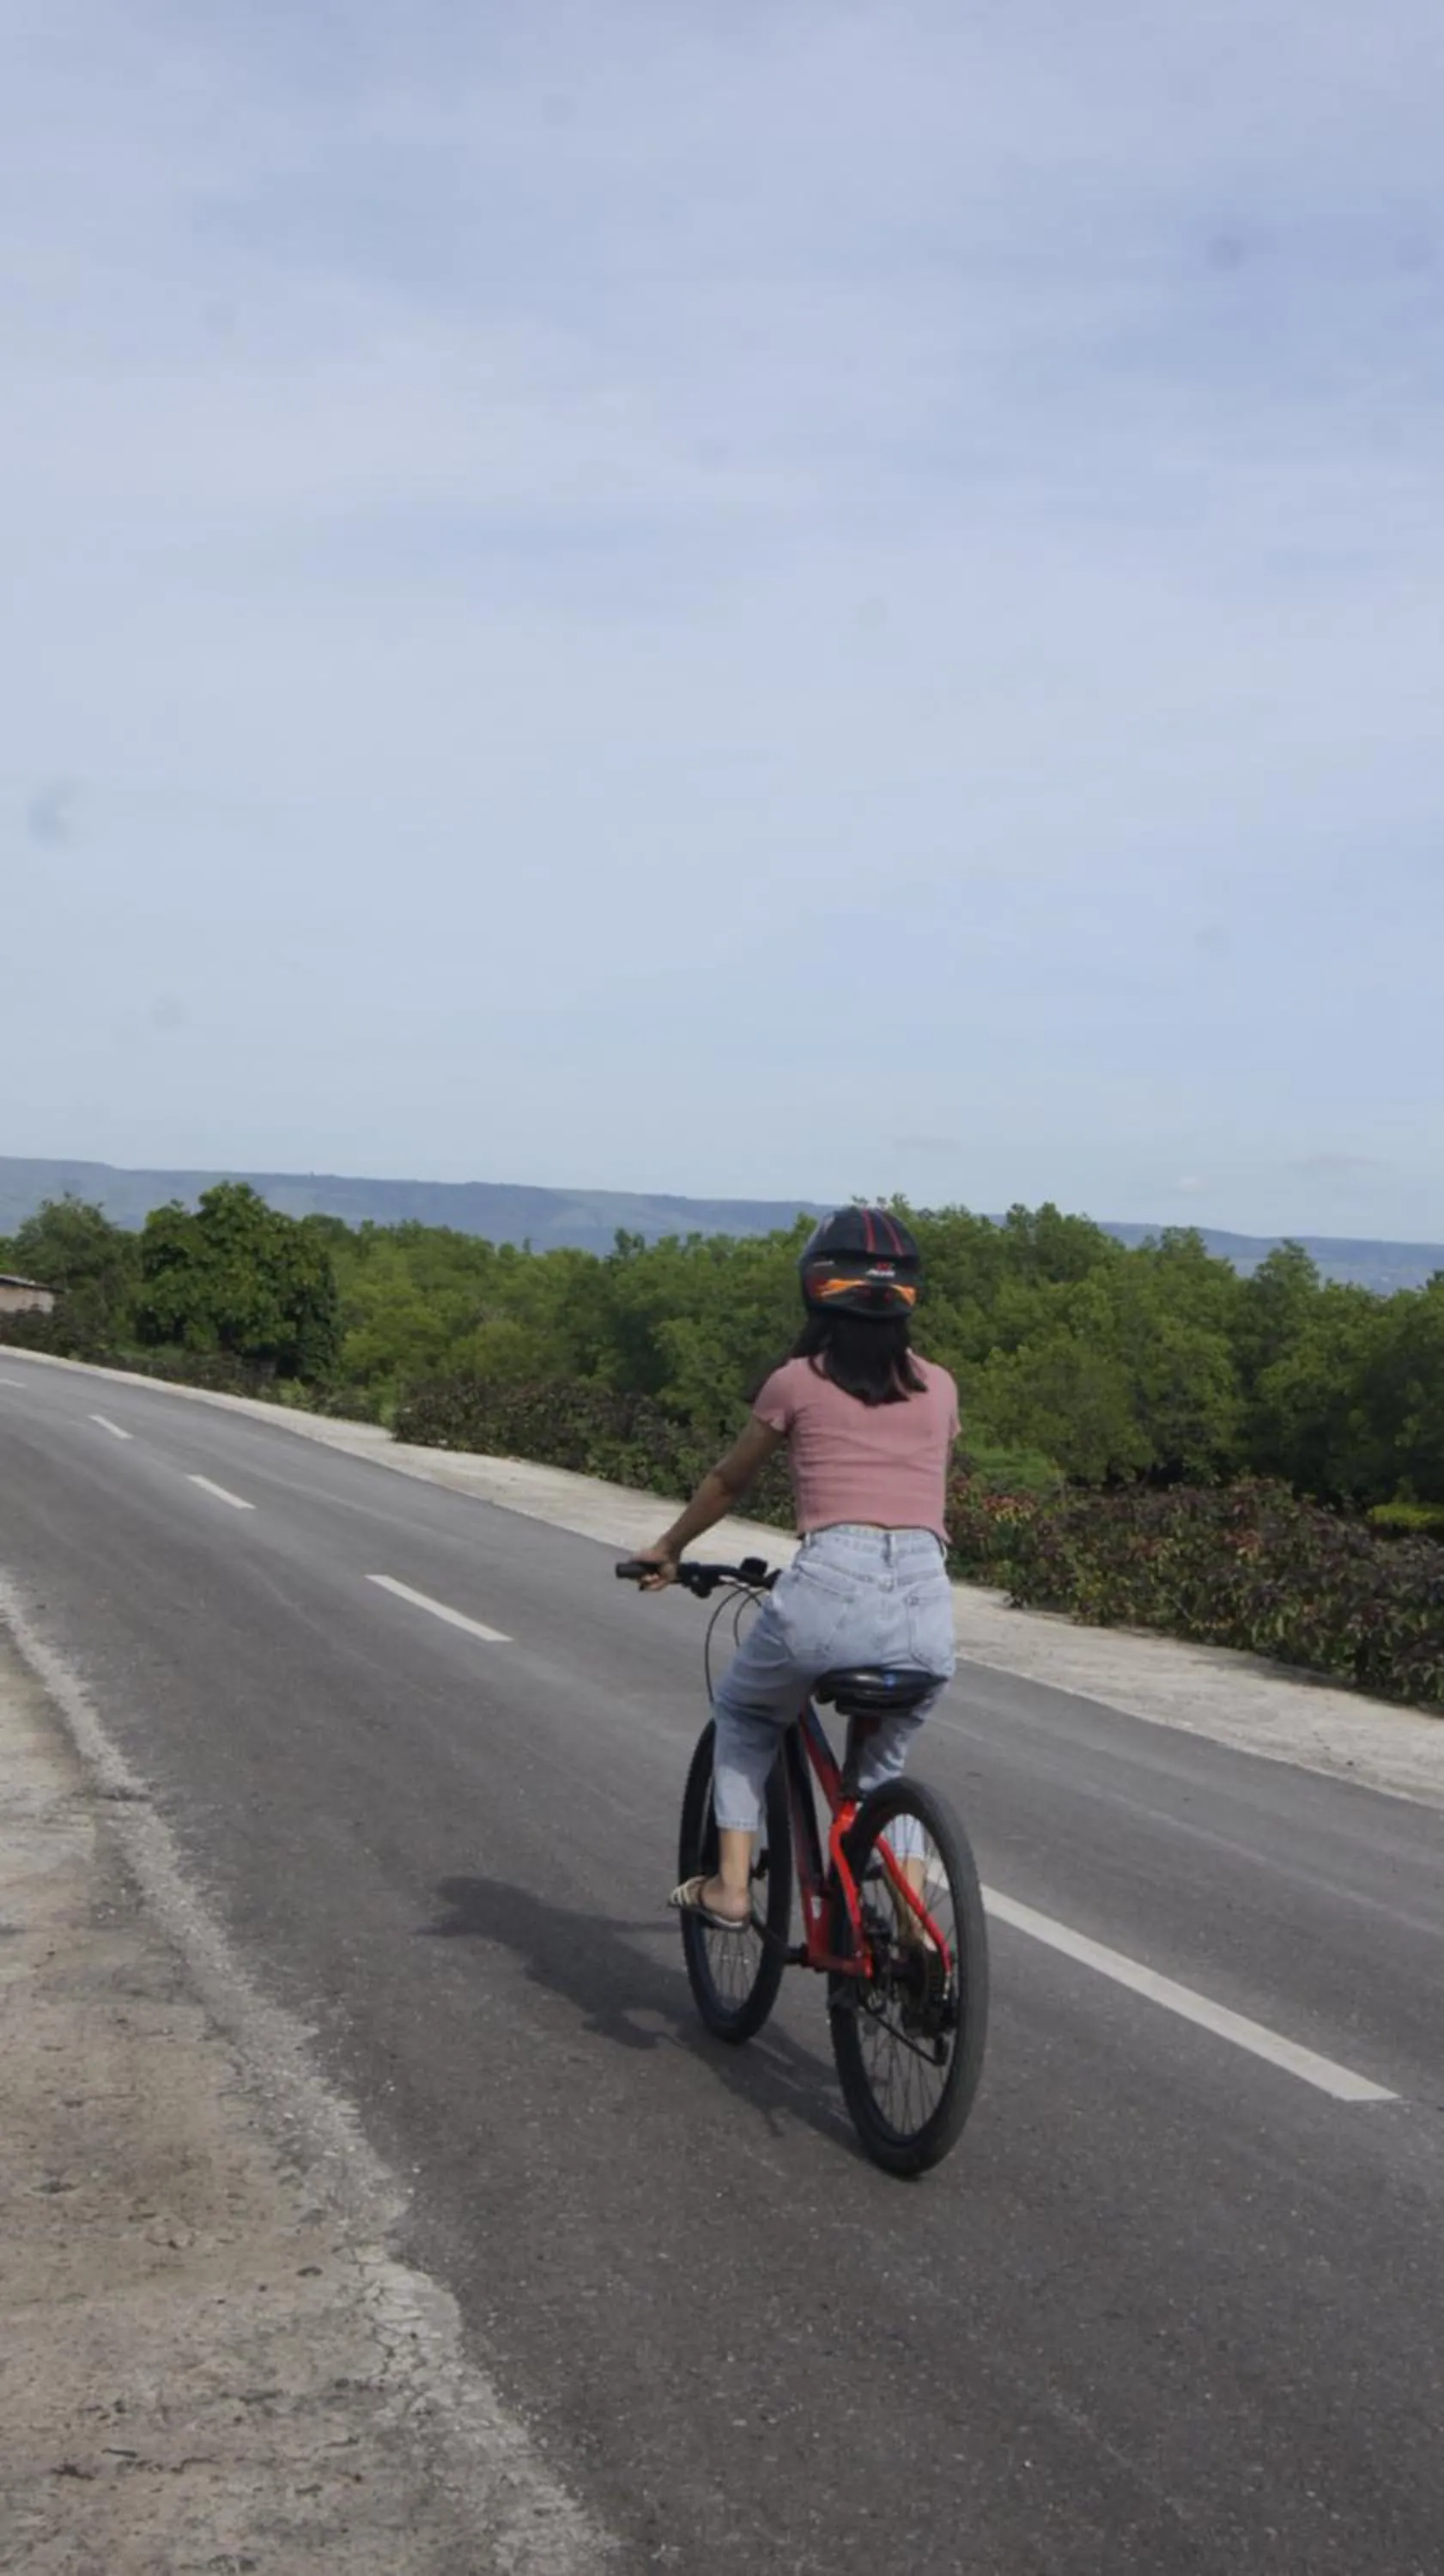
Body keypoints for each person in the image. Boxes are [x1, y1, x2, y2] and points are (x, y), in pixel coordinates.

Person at [634, 1207, 959, 1931]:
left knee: (747, 1712)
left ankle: (730, 1888)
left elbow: (729, 1482)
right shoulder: (940, 1386)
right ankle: (916, 1933)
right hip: (926, 1604)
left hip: (829, 1587)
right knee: (882, 1770)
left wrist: (670, 1548)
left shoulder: (795, 1383)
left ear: (816, 1288)